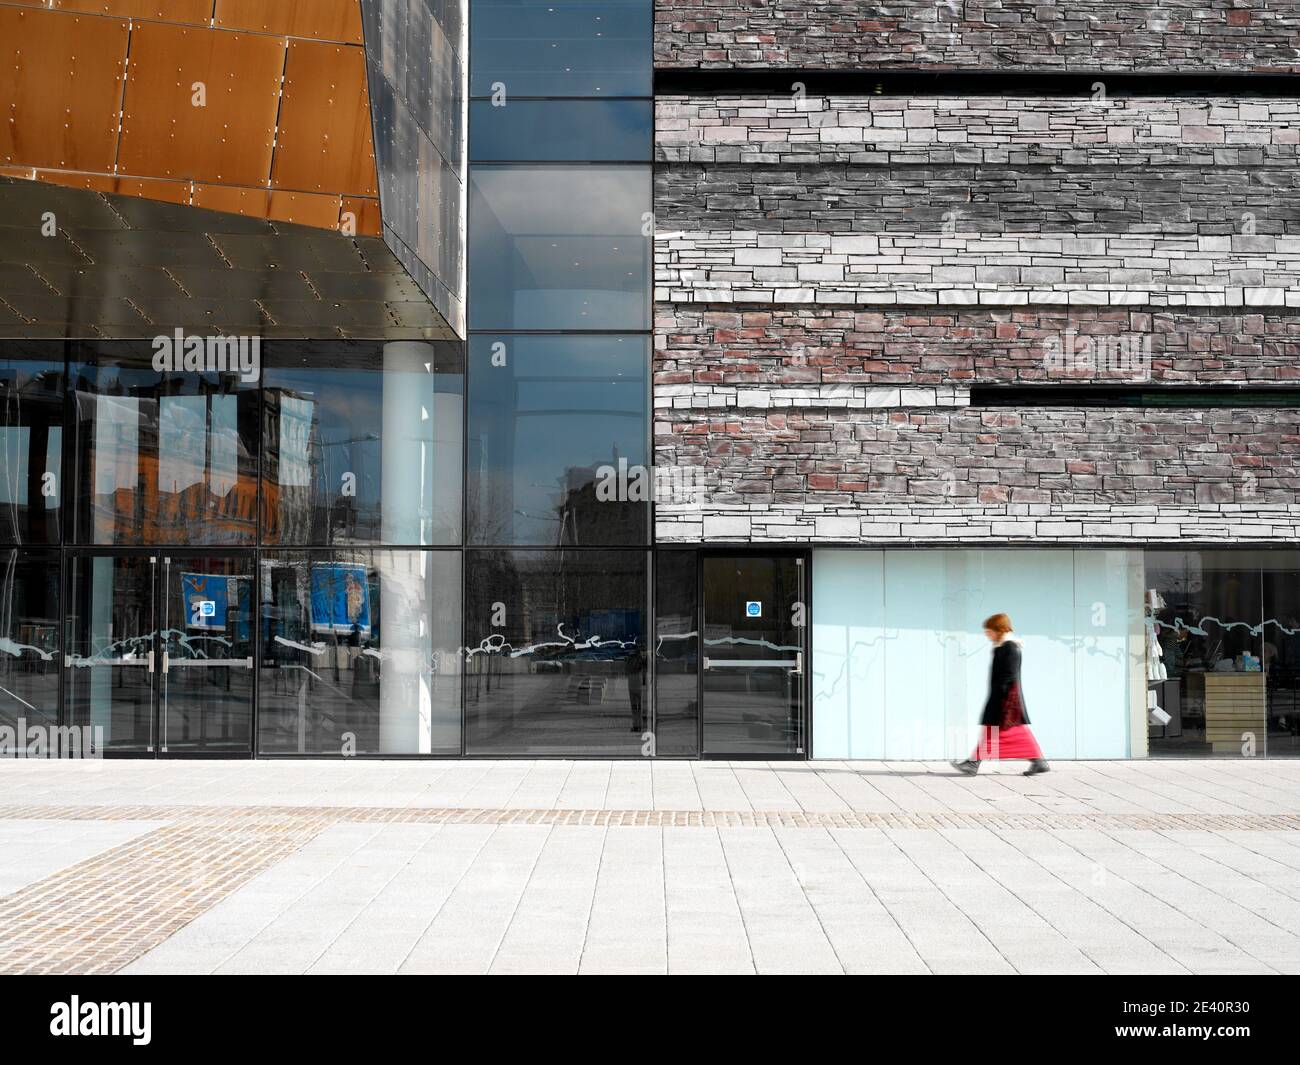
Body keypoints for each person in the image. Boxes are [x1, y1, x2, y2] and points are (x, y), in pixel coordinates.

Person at [952, 613, 1049, 777]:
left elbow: (1009, 676)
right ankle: (1038, 761)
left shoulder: (1010, 647)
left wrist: (1002, 701)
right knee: (1005, 730)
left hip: (1006, 698)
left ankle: (973, 764)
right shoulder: (1002, 646)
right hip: (1002, 696)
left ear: (999, 629)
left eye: (989, 631)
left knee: (1002, 730)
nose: (986, 634)